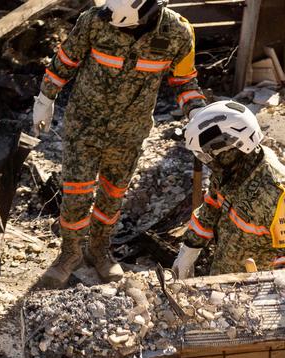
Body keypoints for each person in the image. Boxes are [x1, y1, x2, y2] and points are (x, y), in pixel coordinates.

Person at [31, 0, 207, 288]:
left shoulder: (177, 32)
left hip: (129, 131)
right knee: (76, 192)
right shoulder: (95, 21)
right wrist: (45, 98)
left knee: (112, 194)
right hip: (84, 125)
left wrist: (198, 113)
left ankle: (99, 250)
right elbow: (66, 59)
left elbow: (185, 81)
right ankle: (69, 254)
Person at [172, 100, 285, 277]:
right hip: (223, 275)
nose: (206, 161)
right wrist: (189, 248)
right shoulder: (230, 169)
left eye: (206, 155)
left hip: (252, 289)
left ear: (231, 146)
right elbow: (211, 205)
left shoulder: (274, 193)